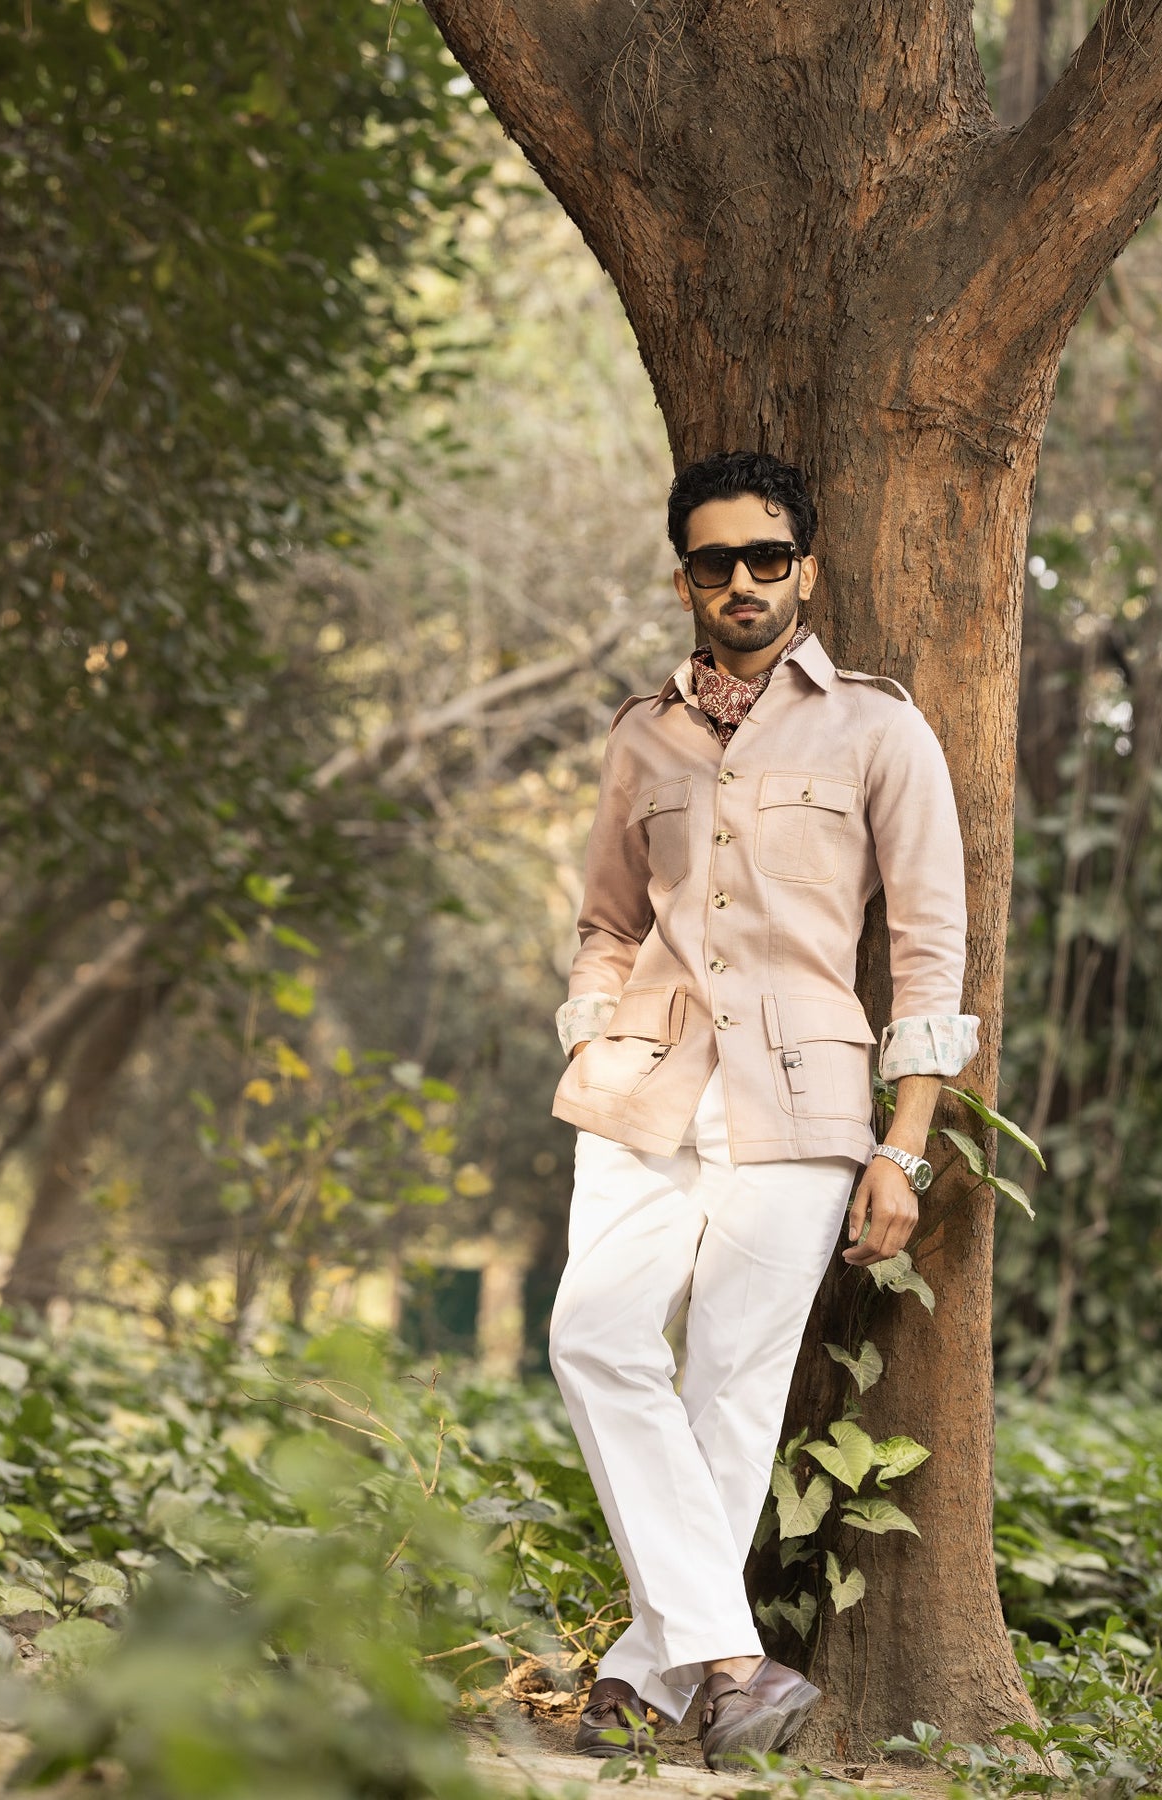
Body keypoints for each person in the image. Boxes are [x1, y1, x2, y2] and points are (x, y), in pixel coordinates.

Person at [547, 451, 978, 1772]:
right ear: (685, 577)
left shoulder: (878, 729)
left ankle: (644, 1681)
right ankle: (733, 1664)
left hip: (803, 1102)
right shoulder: (642, 734)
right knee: (591, 1337)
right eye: (714, 560)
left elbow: (929, 952)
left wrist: (903, 1146)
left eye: (765, 558)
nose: (741, 580)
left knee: (731, 1390)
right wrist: (593, 1024)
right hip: (647, 1087)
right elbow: (606, 922)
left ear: (806, 570)